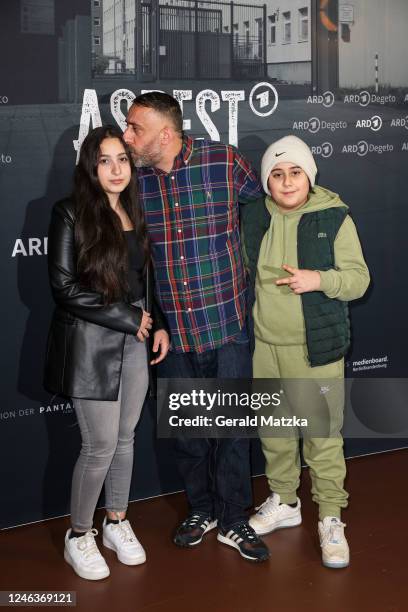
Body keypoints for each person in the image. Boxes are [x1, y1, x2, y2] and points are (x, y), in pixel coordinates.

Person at [123, 92, 270, 562]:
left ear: (165, 134)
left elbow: (274, 206)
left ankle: (232, 520)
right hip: (174, 336)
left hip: (228, 324)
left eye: (135, 129)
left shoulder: (224, 162)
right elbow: (135, 261)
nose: (128, 137)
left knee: (231, 431)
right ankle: (201, 510)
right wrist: (158, 319)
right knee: (188, 432)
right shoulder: (137, 183)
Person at [44, 126, 169, 580]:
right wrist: (127, 318)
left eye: (122, 159)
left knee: (125, 440)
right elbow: (64, 288)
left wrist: (157, 324)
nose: (116, 169)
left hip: (136, 335)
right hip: (91, 340)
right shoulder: (70, 212)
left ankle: (116, 520)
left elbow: (145, 278)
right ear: (90, 167)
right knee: (98, 447)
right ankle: (79, 535)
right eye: (105, 160)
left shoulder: (137, 208)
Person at [242, 135, 370, 568]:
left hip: (316, 351)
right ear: (267, 182)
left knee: (321, 437)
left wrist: (320, 280)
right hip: (265, 348)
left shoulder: (333, 217)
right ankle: (285, 502)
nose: (287, 181)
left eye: (295, 171)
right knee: (275, 433)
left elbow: (358, 279)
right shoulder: (254, 217)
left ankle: (331, 516)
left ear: (309, 175)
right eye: (277, 174)